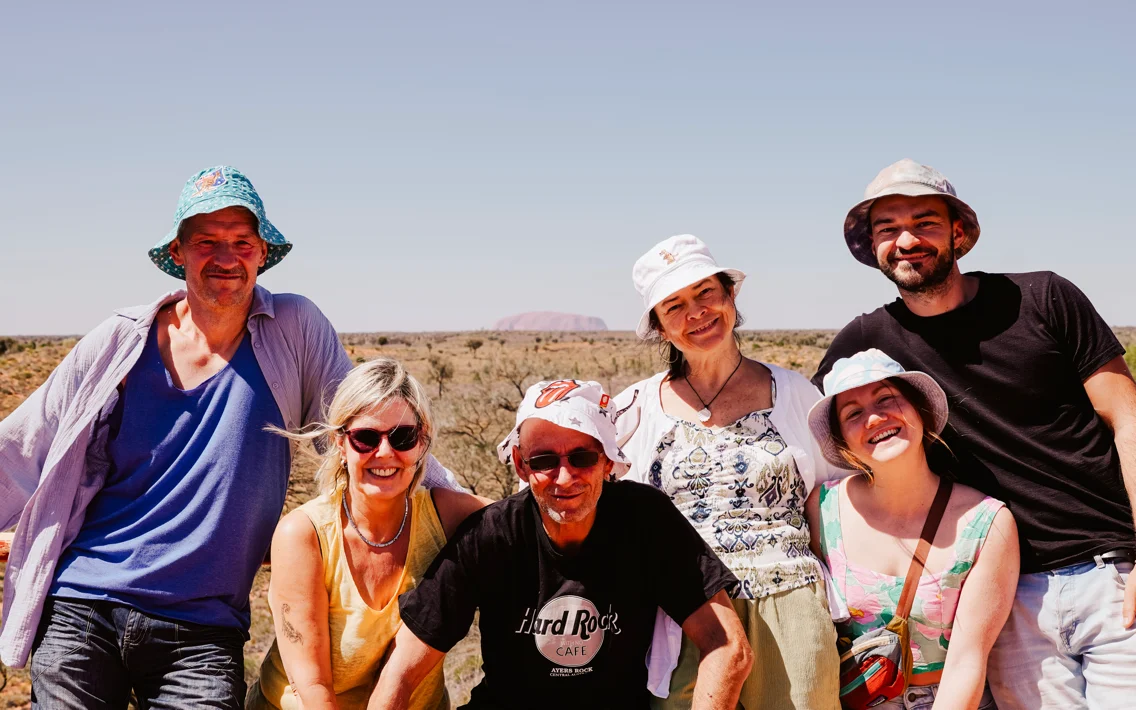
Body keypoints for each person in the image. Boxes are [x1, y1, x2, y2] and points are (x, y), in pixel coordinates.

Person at [0, 166, 462, 709]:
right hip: (86, 602)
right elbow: (24, 443)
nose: (226, 257)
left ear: (262, 252)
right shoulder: (123, 340)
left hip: (202, 627)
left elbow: (367, 424)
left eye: (242, 242)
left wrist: (497, 520)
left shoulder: (292, 326)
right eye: (207, 242)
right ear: (178, 253)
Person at [814, 158, 1136, 709]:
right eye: (887, 229)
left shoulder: (1044, 299)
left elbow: (1127, 418)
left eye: (925, 222)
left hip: (1111, 572)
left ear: (958, 232)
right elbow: (814, 421)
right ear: (873, 248)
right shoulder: (868, 337)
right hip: (1003, 596)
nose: (907, 240)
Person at [370, 379, 753, 709]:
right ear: (520, 465)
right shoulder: (492, 534)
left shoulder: (644, 520)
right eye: (544, 460)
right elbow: (401, 672)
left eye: (583, 457)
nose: (564, 477)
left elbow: (726, 645)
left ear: (608, 461)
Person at [613, 234, 844, 710]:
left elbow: (833, 505)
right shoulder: (632, 410)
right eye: (674, 305)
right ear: (658, 325)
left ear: (731, 296)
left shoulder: (796, 393)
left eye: (705, 293)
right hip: (678, 617)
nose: (696, 312)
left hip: (792, 609)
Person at [247, 358, 487, 709]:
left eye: (403, 436)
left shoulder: (447, 515)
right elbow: (312, 686)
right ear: (339, 444)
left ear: (422, 443)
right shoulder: (305, 534)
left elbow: (528, 521)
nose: (386, 452)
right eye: (366, 438)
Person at [806, 349, 1018, 709]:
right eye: (853, 414)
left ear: (919, 409)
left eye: (887, 399)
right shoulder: (821, 510)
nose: (874, 418)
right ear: (843, 440)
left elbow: (968, 660)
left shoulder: (986, 523)